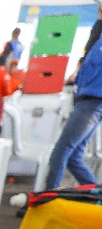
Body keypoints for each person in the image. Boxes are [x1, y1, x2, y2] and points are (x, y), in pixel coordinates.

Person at [45, 30, 102, 189]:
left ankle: (47, 199)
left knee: (60, 152)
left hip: (92, 101)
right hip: (90, 100)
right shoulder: (98, 40)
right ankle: (95, 195)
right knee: (73, 157)